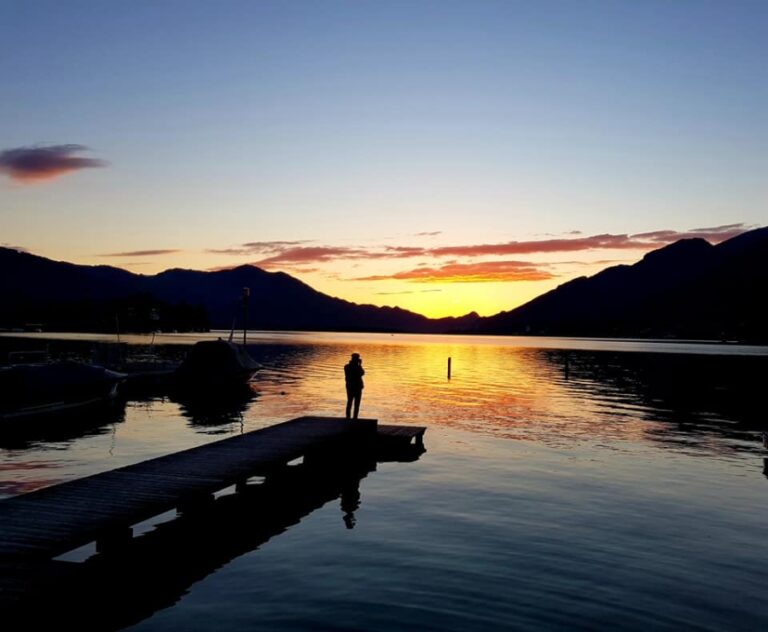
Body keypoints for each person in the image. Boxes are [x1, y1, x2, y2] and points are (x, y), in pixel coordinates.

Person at [344, 352, 364, 419]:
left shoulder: (349, 366)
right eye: (356, 358)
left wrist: (359, 365)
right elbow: (361, 373)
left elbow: (362, 373)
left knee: (356, 404)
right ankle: (348, 417)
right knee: (350, 402)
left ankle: (354, 418)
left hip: (356, 387)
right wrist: (359, 365)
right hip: (352, 387)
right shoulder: (347, 367)